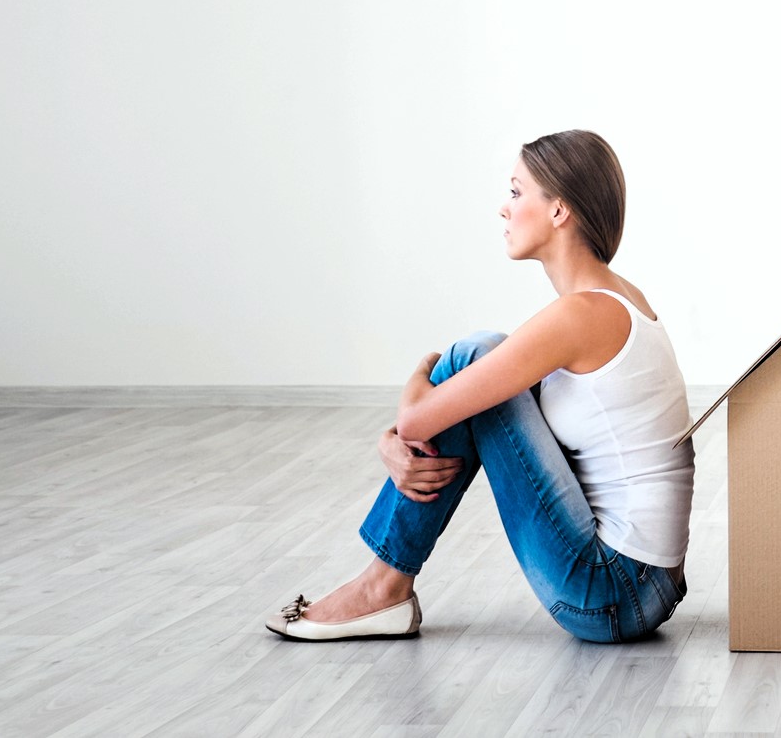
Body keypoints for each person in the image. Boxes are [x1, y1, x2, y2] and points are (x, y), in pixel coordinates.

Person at [266, 130, 695, 643]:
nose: (503, 209)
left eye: (517, 192)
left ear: (558, 210)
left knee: (475, 352)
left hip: (612, 592)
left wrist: (412, 392)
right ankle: (383, 587)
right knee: (479, 367)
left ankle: (382, 588)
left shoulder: (583, 315)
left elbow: (421, 419)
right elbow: (470, 406)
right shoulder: (616, 299)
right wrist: (399, 434)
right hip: (649, 586)